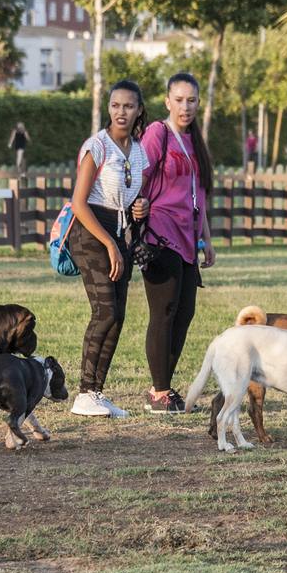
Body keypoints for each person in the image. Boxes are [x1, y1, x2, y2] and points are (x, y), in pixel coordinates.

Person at [67, 80, 151, 418]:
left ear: (138, 111)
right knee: (104, 312)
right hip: (91, 235)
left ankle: (96, 393)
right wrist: (109, 245)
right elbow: (78, 203)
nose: (121, 112)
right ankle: (84, 392)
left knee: (118, 317)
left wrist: (139, 209)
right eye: (115, 105)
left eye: (128, 106)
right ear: (109, 108)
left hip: (121, 233)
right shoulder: (97, 146)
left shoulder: (139, 150)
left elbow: (128, 198)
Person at [138, 72, 216, 414]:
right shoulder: (158, 133)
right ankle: (158, 393)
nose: (186, 106)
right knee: (164, 312)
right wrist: (137, 207)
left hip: (188, 239)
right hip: (159, 234)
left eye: (192, 100)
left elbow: (198, 196)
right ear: (167, 101)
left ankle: (165, 389)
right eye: (179, 100)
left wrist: (207, 240)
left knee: (185, 313)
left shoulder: (194, 142)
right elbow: (138, 175)